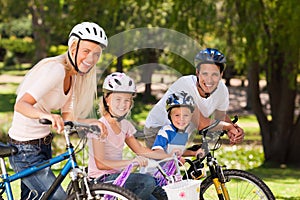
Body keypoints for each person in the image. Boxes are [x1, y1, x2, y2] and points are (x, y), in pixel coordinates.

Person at [8, 22, 108, 200]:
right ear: (73, 47)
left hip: (42, 145)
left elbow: (68, 117)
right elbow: (21, 105)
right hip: (24, 149)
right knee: (58, 197)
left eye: (96, 54)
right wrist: (45, 115)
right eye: (86, 51)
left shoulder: (74, 77)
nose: (91, 59)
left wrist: (91, 123)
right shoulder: (56, 70)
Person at [88, 72, 172, 200]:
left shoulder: (125, 125)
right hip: (101, 180)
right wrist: (131, 162)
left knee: (160, 194)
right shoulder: (99, 127)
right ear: (107, 100)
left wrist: (170, 156)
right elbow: (101, 164)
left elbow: (140, 150)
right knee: (147, 182)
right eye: (118, 99)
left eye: (127, 100)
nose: (123, 104)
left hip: (118, 177)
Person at [144, 48, 244, 148]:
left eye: (215, 74)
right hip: (157, 131)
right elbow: (202, 123)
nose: (209, 80)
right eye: (205, 74)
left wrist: (234, 130)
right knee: (166, 162)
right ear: (197, 72)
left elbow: (220, 116)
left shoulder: (222, 90)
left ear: (221, 74)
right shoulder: (185, 85)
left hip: (179, 135)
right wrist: (228, 127)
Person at [152, 91, 204, 158]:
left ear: (191, 116)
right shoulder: (166, 131)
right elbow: (157, 150)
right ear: (170, 116)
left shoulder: (183, 133)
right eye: (177, 115)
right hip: (159, 167)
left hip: (173, 167)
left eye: (185, 115)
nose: (181, 119)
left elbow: (180, 151)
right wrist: (170, 156)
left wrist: (194, 153)